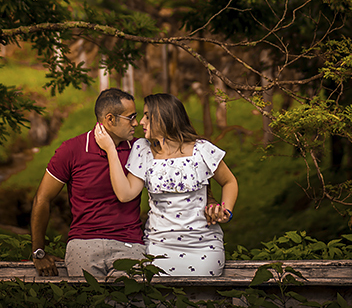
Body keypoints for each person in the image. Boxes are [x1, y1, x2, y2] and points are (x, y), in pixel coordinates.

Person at [94, 92, 238, 277]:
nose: (141, 122)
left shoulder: (202, 149)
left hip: (204, 246)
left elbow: (229, 181)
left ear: (164, 117)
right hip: (159, 247)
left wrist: (225, 210)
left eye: (147, 116)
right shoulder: (143, 150)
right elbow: (125, 194)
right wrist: (110, 151)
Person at [29, 88, 145, 278]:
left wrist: (210, 198)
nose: (136, 123)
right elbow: (42, 198)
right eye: (130, 117)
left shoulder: (139, 149)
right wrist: (38, 251)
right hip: (84, 244)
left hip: (129, 244)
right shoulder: (72, 149)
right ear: (110, 119)